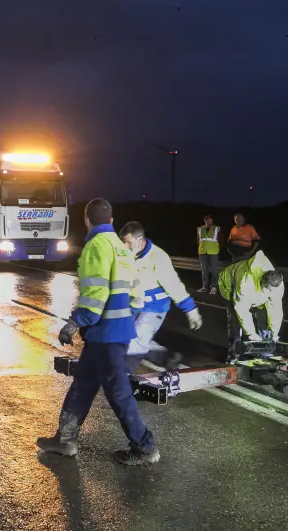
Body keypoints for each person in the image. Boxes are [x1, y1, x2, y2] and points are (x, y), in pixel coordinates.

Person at [37, 199, 159, 466]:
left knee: (119, 392)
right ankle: (65, 439)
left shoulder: (96, 246)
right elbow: (138, 296)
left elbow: (95, 295)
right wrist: (124, 317)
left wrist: (75, 322)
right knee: (83, 384)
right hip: (113, 333)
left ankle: (145, 447)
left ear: (86, 219)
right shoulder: (121, 247)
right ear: (112, 221)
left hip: (106, 335)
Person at [120, 221, 202, 372]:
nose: (125, 246)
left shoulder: (158, 257)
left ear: (139, 240)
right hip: (133, 306)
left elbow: (174, 285)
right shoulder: (128, 254)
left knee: (134, 345)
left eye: (128, 242)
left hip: (154, 308)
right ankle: (167, 357)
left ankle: (122, 377)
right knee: (123, 338)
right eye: (123, 242)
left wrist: (190, 309)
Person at [217, 250, 284, 363]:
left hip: (256, 293)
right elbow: (242, 310)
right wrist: (251, 333)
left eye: (272, 291)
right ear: (263, 282)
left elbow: (275, 309)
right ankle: (234, 354)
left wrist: (274, 332)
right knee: (236, 321)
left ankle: (264, 351)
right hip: (228, 287)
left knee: (264, 319)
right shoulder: (245, 282)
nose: (271, 293)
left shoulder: (277, 285)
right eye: (268, 290)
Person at [196, 214, 221, 293]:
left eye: (211, 221)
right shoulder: (200, 229)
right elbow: (198, 240)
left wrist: (217, 247)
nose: (210, 222)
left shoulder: (217, 228)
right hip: (203, 252)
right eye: (208, 221)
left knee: (214, 270)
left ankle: (214, 287)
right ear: (205, 221)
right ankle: (205, 286)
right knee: (204, 270)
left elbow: (221, 240)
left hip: (213, 252)